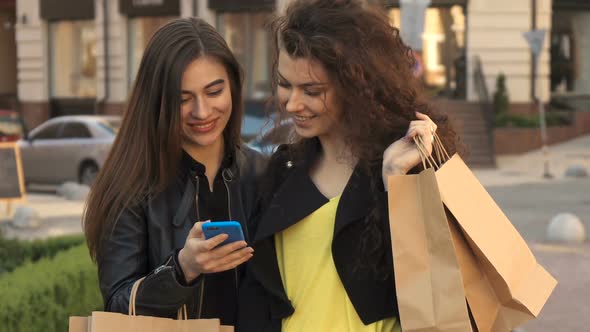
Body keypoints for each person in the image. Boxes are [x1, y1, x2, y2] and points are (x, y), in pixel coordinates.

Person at [236, 1, 460, 331]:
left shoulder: (410, 162)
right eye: (285, 84)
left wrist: (395, 184)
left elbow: (437, 285)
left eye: (312, 90)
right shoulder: (282, 170)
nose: (293, 103)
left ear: (356, 86)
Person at [83, 17, 265, 325]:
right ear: (157, 101)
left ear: (233, 86)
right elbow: (116, 307)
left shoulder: (262, 173)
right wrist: (182, 270)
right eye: (183, 99)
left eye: (214, 91)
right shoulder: (131, 185)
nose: (203, 111)